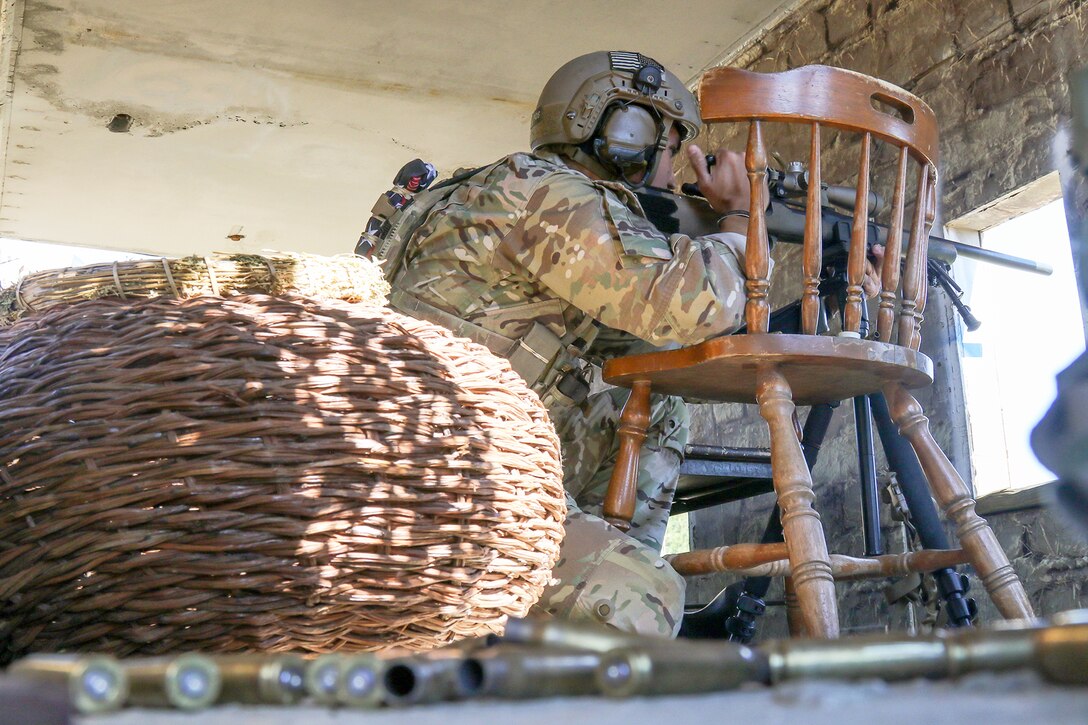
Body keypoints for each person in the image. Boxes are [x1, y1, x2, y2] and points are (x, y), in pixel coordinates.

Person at [382, 51, 769, 637]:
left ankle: (613, 564)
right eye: (670, 150)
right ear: (625, 134)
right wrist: (740, 221)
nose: (674, 176)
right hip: (448, 490)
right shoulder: (543, 195)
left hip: (465, 467)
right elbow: (693, 305)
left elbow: (655, 336)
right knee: (646, 598)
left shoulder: (506, 190)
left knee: (657, 400)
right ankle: (617, 593)